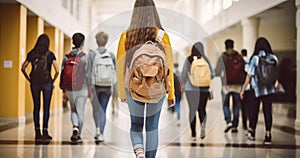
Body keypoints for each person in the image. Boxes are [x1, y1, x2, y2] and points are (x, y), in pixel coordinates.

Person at [116, 0, 175, 157]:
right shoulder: (162, 35)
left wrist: (122, 92)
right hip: (158, 86)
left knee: (136, 125)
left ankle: (139, 151)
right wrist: (171, 93)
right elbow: (169, 67)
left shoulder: (126, 36)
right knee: (152, 126)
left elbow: (120, 66)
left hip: (133, 85)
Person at [21, 34, 59, 142]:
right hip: (47, 83)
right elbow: (57, 70)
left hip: (35, 83)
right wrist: (52, 81)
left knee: (36, 107)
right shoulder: (50, 55)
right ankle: (45, 132)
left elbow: (23, 68)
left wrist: (29, 79)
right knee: (46, 107)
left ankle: (37, 133)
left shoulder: (31, 53)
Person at [240, 37, 278, 145]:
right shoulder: (274, 58)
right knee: (268, 111)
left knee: (254, 111)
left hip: (256, 90)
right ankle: (268, 135)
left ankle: (252, 132)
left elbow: (249, 75)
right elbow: (275, 73)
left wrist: (243, 89)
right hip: (270, 89)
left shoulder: (255, 58)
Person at [60, 33, 92, 143]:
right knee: (80, 112)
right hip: (82, 88)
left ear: (73, 42)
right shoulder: (85, 57)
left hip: (70, 89)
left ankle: (75, 127)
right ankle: (78, 134)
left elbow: (62, 73)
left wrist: (63, 89)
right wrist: (90, 89)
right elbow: (88, 74)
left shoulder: (66, 57)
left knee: (73, 110)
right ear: (82, 43)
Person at [181, 42, 215, 140]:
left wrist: (188, 79)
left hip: (190, 89)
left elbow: (183, 75)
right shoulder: (206, 60)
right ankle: (203, 125)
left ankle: (193, 134)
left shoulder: (189, 60)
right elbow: (212, 74)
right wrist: (204, 78)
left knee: (192, 110)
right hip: (204, 89)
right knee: (202, 109)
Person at [89, 31, 116, 142]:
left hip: (95, 86)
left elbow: (88, 72)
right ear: (106, 41)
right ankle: (101, 135)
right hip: (107, 86)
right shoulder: (111, 55)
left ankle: (97, 129)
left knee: (96, 109)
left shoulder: (92, 54)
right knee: (103, 110)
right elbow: (115, 71)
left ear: (96, 41)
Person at [215, 39, 244, 133]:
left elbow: (218, 71)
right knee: (236, 105)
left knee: (225, 104)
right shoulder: (239, 57)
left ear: (225, 46)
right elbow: (244, 70)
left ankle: (229, 121)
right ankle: (235, 125)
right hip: (237, 86)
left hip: (226, 85)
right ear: (233, 45)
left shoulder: (223, 57)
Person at [240, 49, 250, 130]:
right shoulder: (250, 61)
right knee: (250, 106)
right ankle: (250, 122)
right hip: (250, 88)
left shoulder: (241, 62)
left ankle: (244, 124)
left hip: (243, 87)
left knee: (243, 107)